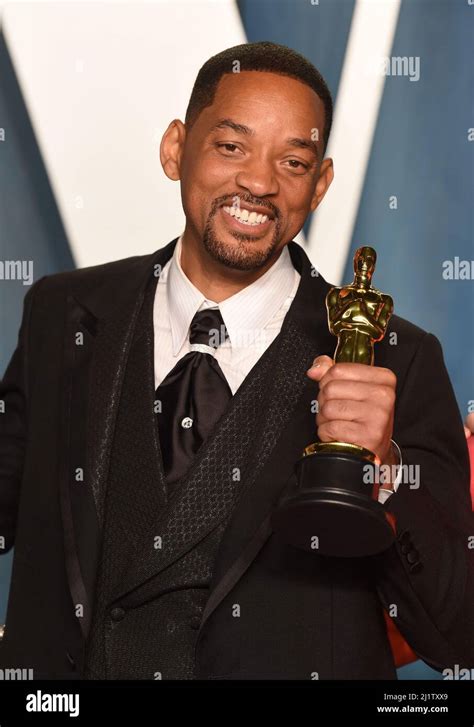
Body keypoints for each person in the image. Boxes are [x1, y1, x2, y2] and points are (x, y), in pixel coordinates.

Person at [0, 41, 473, 681]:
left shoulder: (397, 357)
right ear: (175, 149)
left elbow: (455, 632)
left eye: (294, 161)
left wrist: (385, 474)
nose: (258, 181)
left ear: (321, 183)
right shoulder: (62, 315)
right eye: (231, 146)